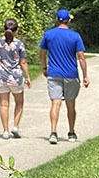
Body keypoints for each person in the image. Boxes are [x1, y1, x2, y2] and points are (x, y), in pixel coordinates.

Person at [38, 9, 89, 144]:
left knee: (55, 102)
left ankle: (53, 132)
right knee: (70, 104)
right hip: (71, 74)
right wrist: (85, 76)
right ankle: (71, 133)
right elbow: (81, 57)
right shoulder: (75, 36)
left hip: (53, 73)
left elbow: (42, 54)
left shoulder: (49, 34)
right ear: (69, 20)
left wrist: (44, 68)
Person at [0, 18, 31, 139]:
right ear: (16, 30)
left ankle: (5, 131)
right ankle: (15, 126)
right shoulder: (19, 44)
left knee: (4, 104)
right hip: (15, 77)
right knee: (19, 102)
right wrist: (28, 77)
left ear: (4, 28)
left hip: (1, 76)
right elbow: (23, 62)